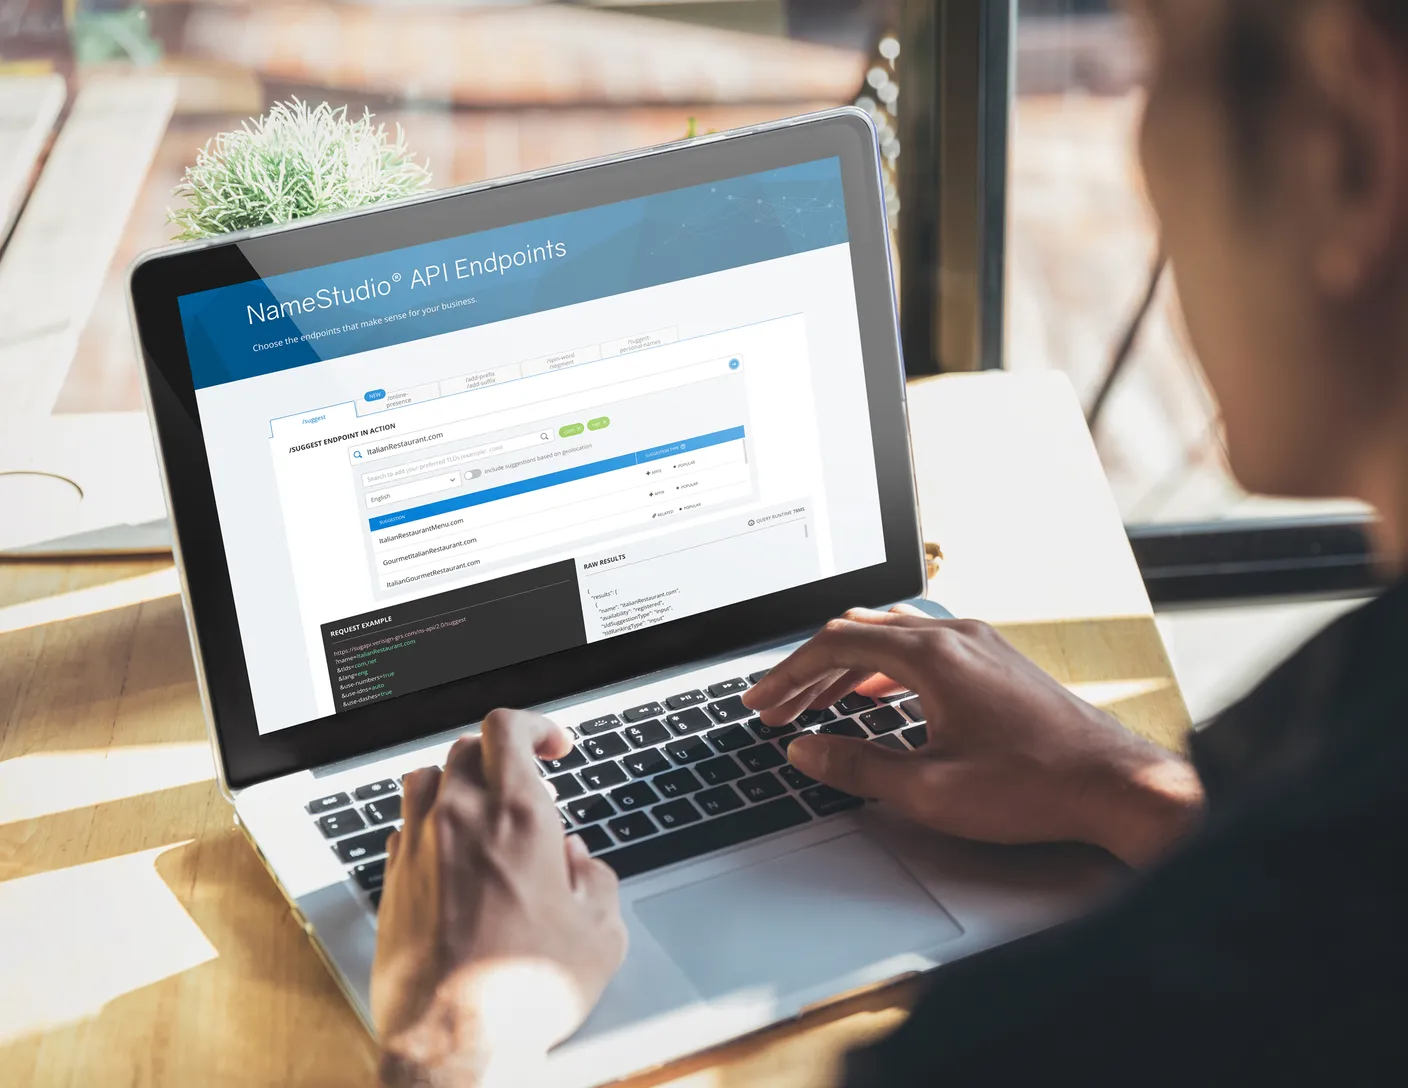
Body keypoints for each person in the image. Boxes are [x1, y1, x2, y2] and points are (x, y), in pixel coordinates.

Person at [369, 0, 1408, 1082]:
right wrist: (1119, 783)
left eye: (1157, 63)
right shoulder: (1347, 767)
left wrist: (458, 1032)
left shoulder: (1090, 1027)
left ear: (1350, 139)